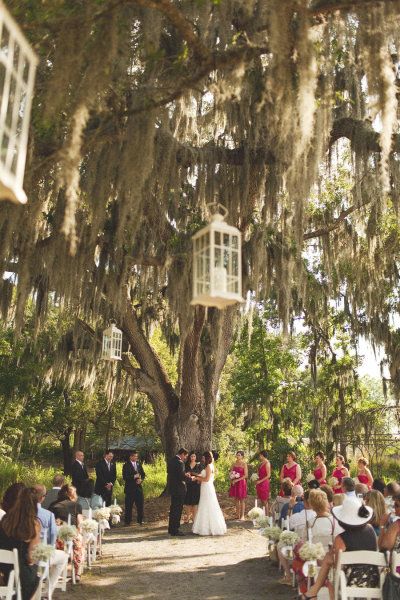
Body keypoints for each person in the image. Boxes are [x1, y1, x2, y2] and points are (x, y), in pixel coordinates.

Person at [300, 496, 378, 600]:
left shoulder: (340, 539)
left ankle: (313, 592)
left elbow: (337, 568)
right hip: (373, 579)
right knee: (329, 558)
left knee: (330, 568)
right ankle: (312, 592)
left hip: (351, 583)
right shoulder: (370, 529)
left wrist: (332, 555)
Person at [0, 487, 40, 600]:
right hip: (21, 573)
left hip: (4, 569)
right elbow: (31, 557)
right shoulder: (34, 525)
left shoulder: (5, 520)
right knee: (36, 575)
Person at [32, 485, 68, 595]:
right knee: (64, 556)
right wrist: (50, 548)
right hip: (41, 555)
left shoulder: (20, 514)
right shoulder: (48, 515)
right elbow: (53, 535)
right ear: (43, 498)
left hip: (22, 554)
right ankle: (47, 591)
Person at [49, 484, 83, 581]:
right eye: (75, 493)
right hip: (72, 535)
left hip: (57, 537)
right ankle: (77, 572)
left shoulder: (53, 505)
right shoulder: (77, 506)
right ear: (71, 494)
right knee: (79, 543)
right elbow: (80, 523)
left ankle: (56, 570)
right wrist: (79, 533)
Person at [192, 451, 227, 536]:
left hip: (207, 487)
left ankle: (208, 527)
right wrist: (196, 476)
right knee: (205, 504)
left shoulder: (208, 466)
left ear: (207, 458)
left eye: (204, 457)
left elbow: (207, 479)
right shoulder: (210, 466)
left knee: (207, 505)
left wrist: (197, 479)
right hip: (206, 487)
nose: (202, 459)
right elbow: (204, 476)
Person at [167, 448, 189, 536]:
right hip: (179, 489)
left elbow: (171, 472)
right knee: (177, 509)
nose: (185, 458)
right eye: (185, 456)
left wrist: (183, 474)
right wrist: (190, 478)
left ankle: (171, 528)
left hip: (172, 488)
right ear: (182, 454)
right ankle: (175, 529)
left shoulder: (171, 461)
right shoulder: (180, 462)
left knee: (173, 509)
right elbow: (181, 476)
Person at [122, 451, 146, 526]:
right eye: (134, 456)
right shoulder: (126, 465)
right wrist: (133, 477)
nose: (136, 458)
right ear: (131, 457)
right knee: (128, 506)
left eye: (136, 456)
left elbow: (143, 474)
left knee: (140, 505)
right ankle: (127, 521)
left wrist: (141, 479)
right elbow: (125, 477)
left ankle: (140, 520)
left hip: (138, 488)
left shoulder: (139, 464)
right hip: (130, 489)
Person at [229, 450, 248, 520]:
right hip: (234, 483)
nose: (237, 456)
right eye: (237, 454)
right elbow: (230, 472)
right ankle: (237, 514)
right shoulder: (233, 464)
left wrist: (237, 479)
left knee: (242, 499)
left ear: (242, 456)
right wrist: (232, 478)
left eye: (239, 455)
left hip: (241, 483)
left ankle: (242, 515)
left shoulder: (244, 464)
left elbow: (246, 475)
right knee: (236, 499)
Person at [184, 452, 201, 523]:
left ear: (196, 457)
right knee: (188, 502)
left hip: (196, 485)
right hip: (188, 485)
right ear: (189, 457)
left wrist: (196, 476)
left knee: (195, 502)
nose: (193, 458)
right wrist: (187, 475)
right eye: (191, 456)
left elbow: (201, 474)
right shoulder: (186, 465)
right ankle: (187, 517)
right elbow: (183, 473)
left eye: (194, 456)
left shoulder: (198, 465)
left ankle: (194, 518)